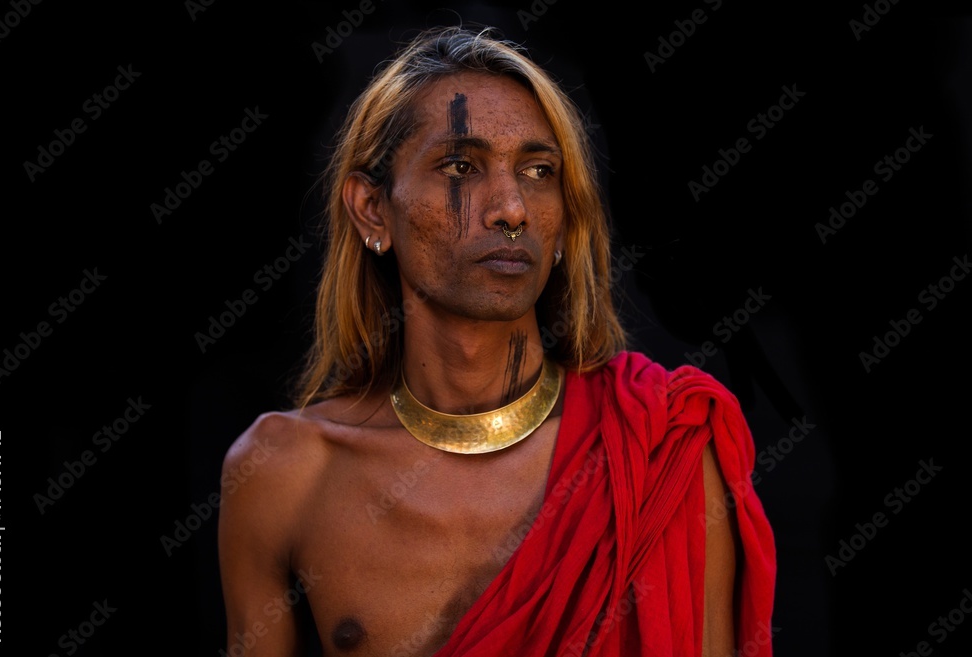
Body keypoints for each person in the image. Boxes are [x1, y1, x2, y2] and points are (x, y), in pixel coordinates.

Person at [218, 24, 777, 657]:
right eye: (461, 166)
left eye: (539, 171)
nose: (511, 208)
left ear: (566, 218)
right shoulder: (284, 474)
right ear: (373, 209)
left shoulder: (661, 447)